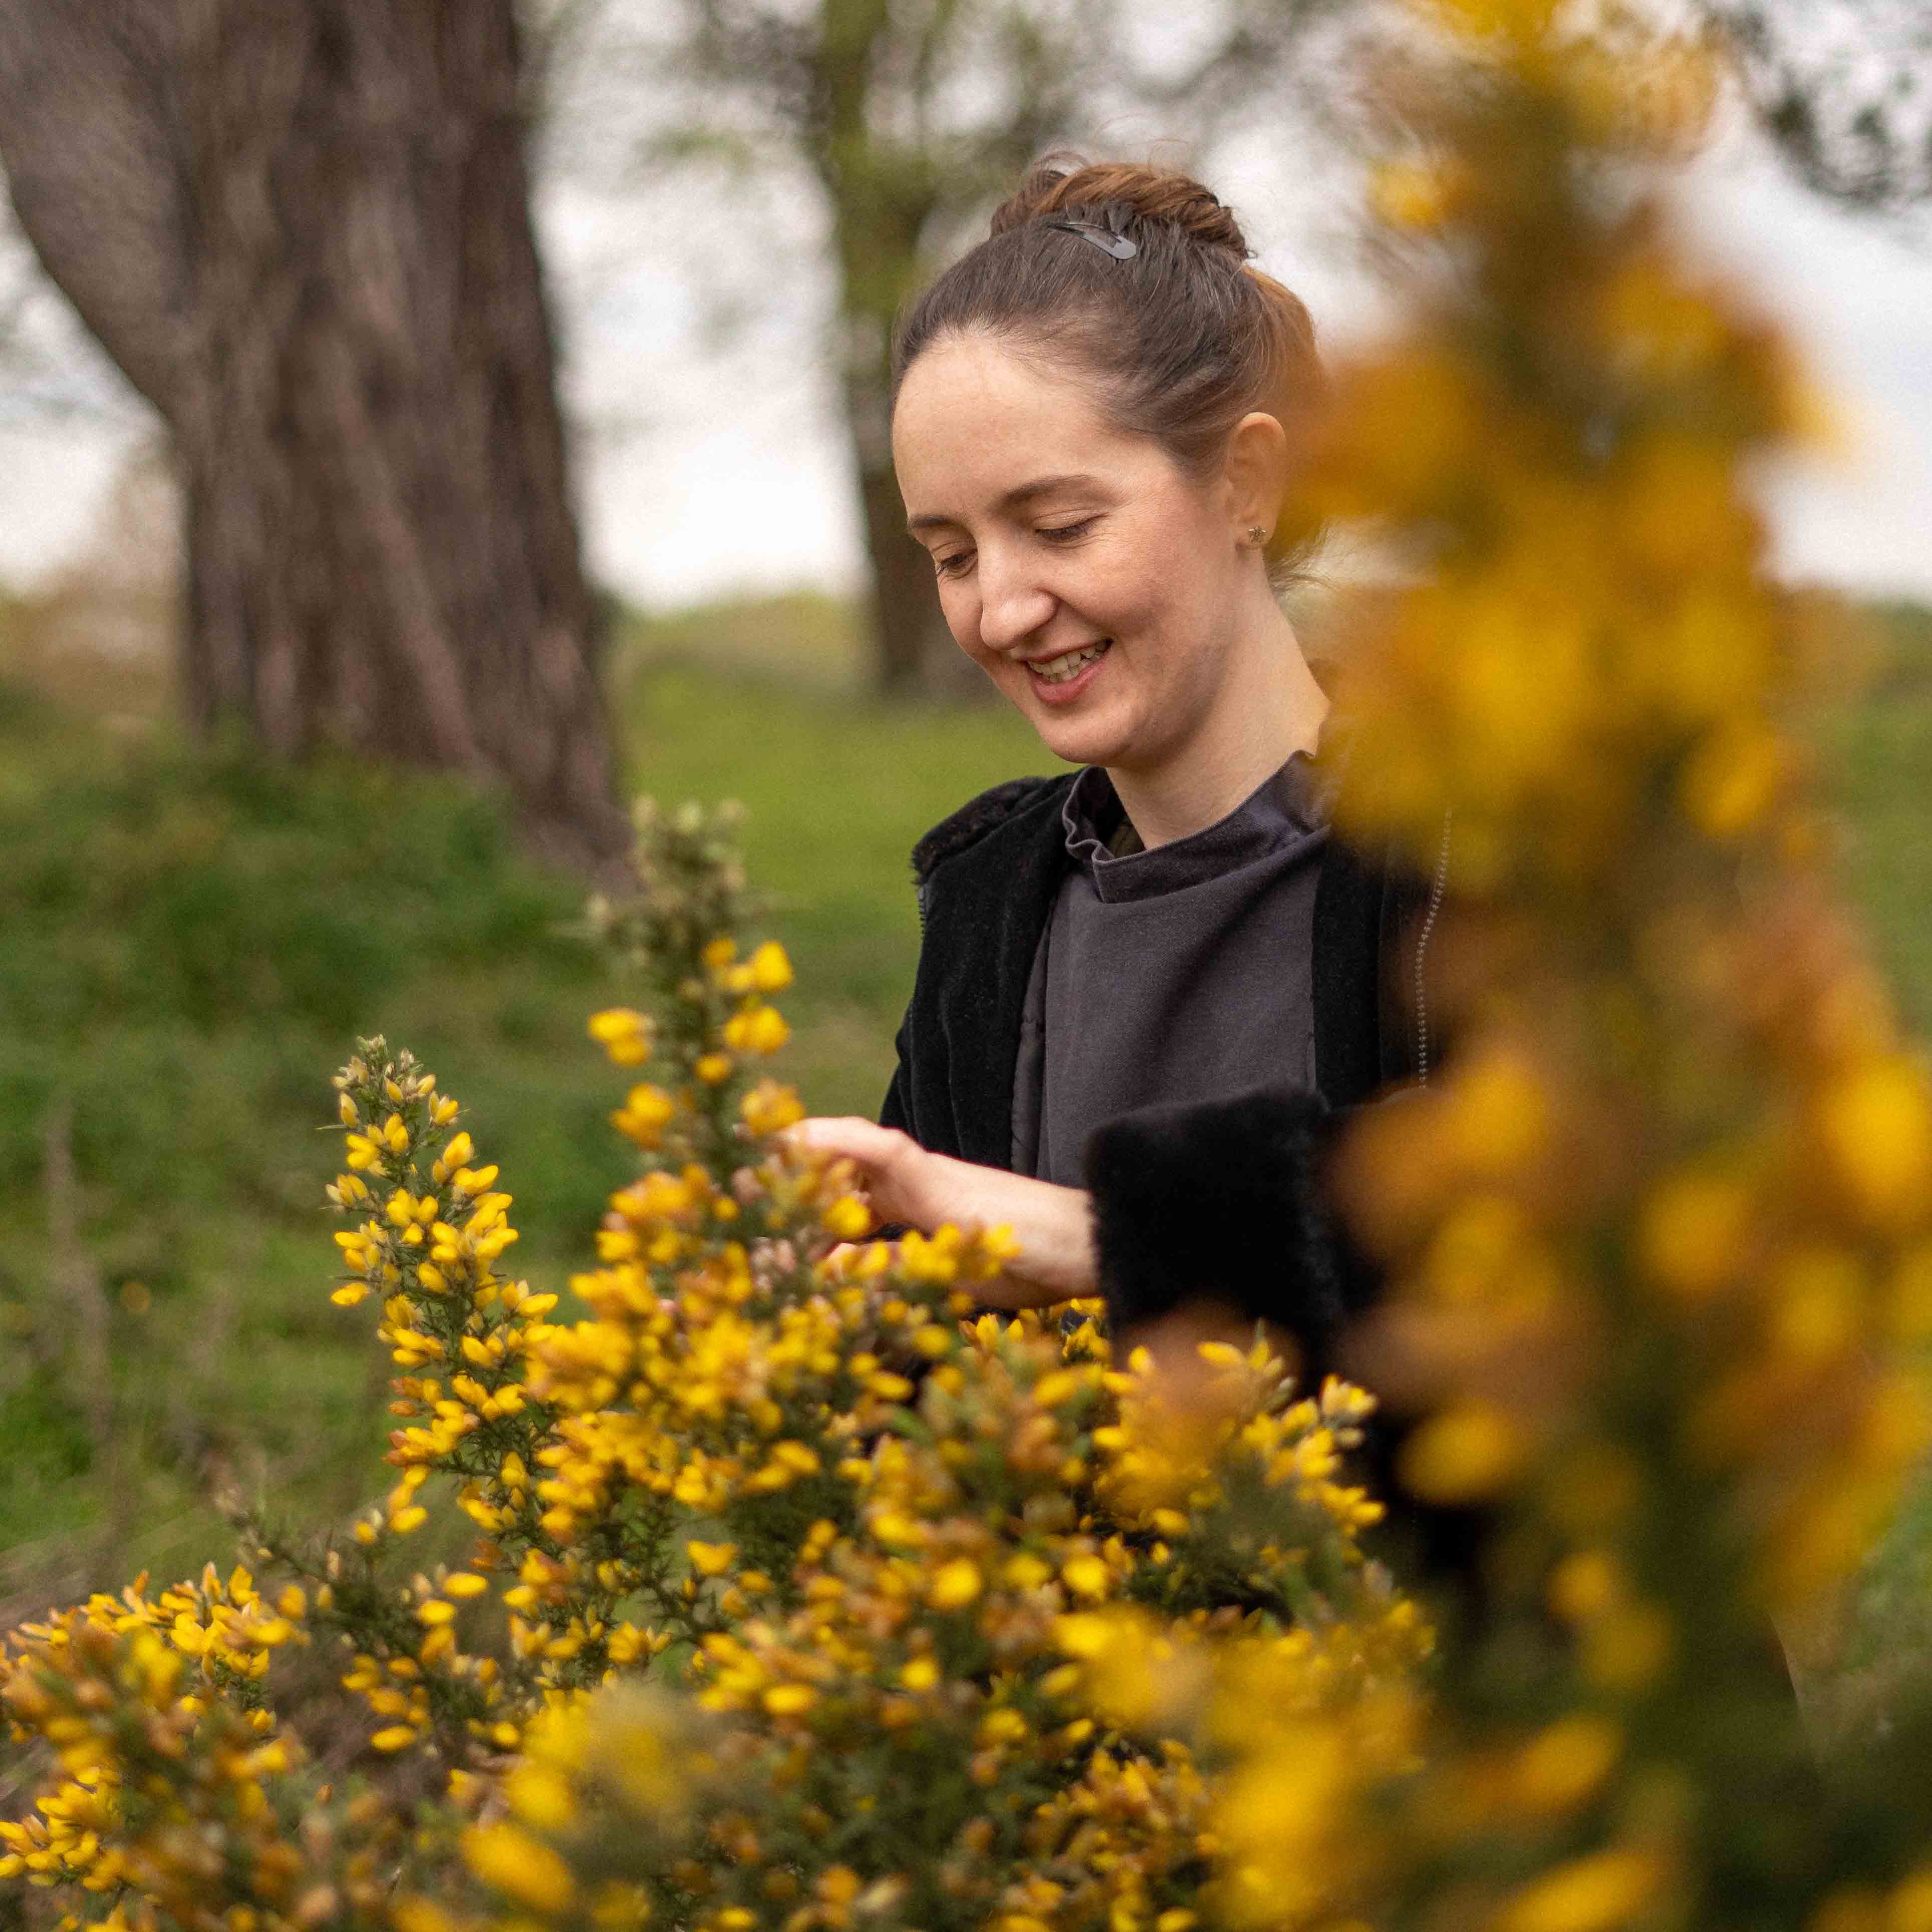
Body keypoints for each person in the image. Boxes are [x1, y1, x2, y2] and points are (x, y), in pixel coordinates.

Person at [795, 157, 1452, 1438]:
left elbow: (1543, 1262)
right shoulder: (992, 900)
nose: (1001, 608)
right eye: (952, 552)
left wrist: (1102, 1240)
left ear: (1245, 484)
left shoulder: (1474, 847)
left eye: (1060, 524)